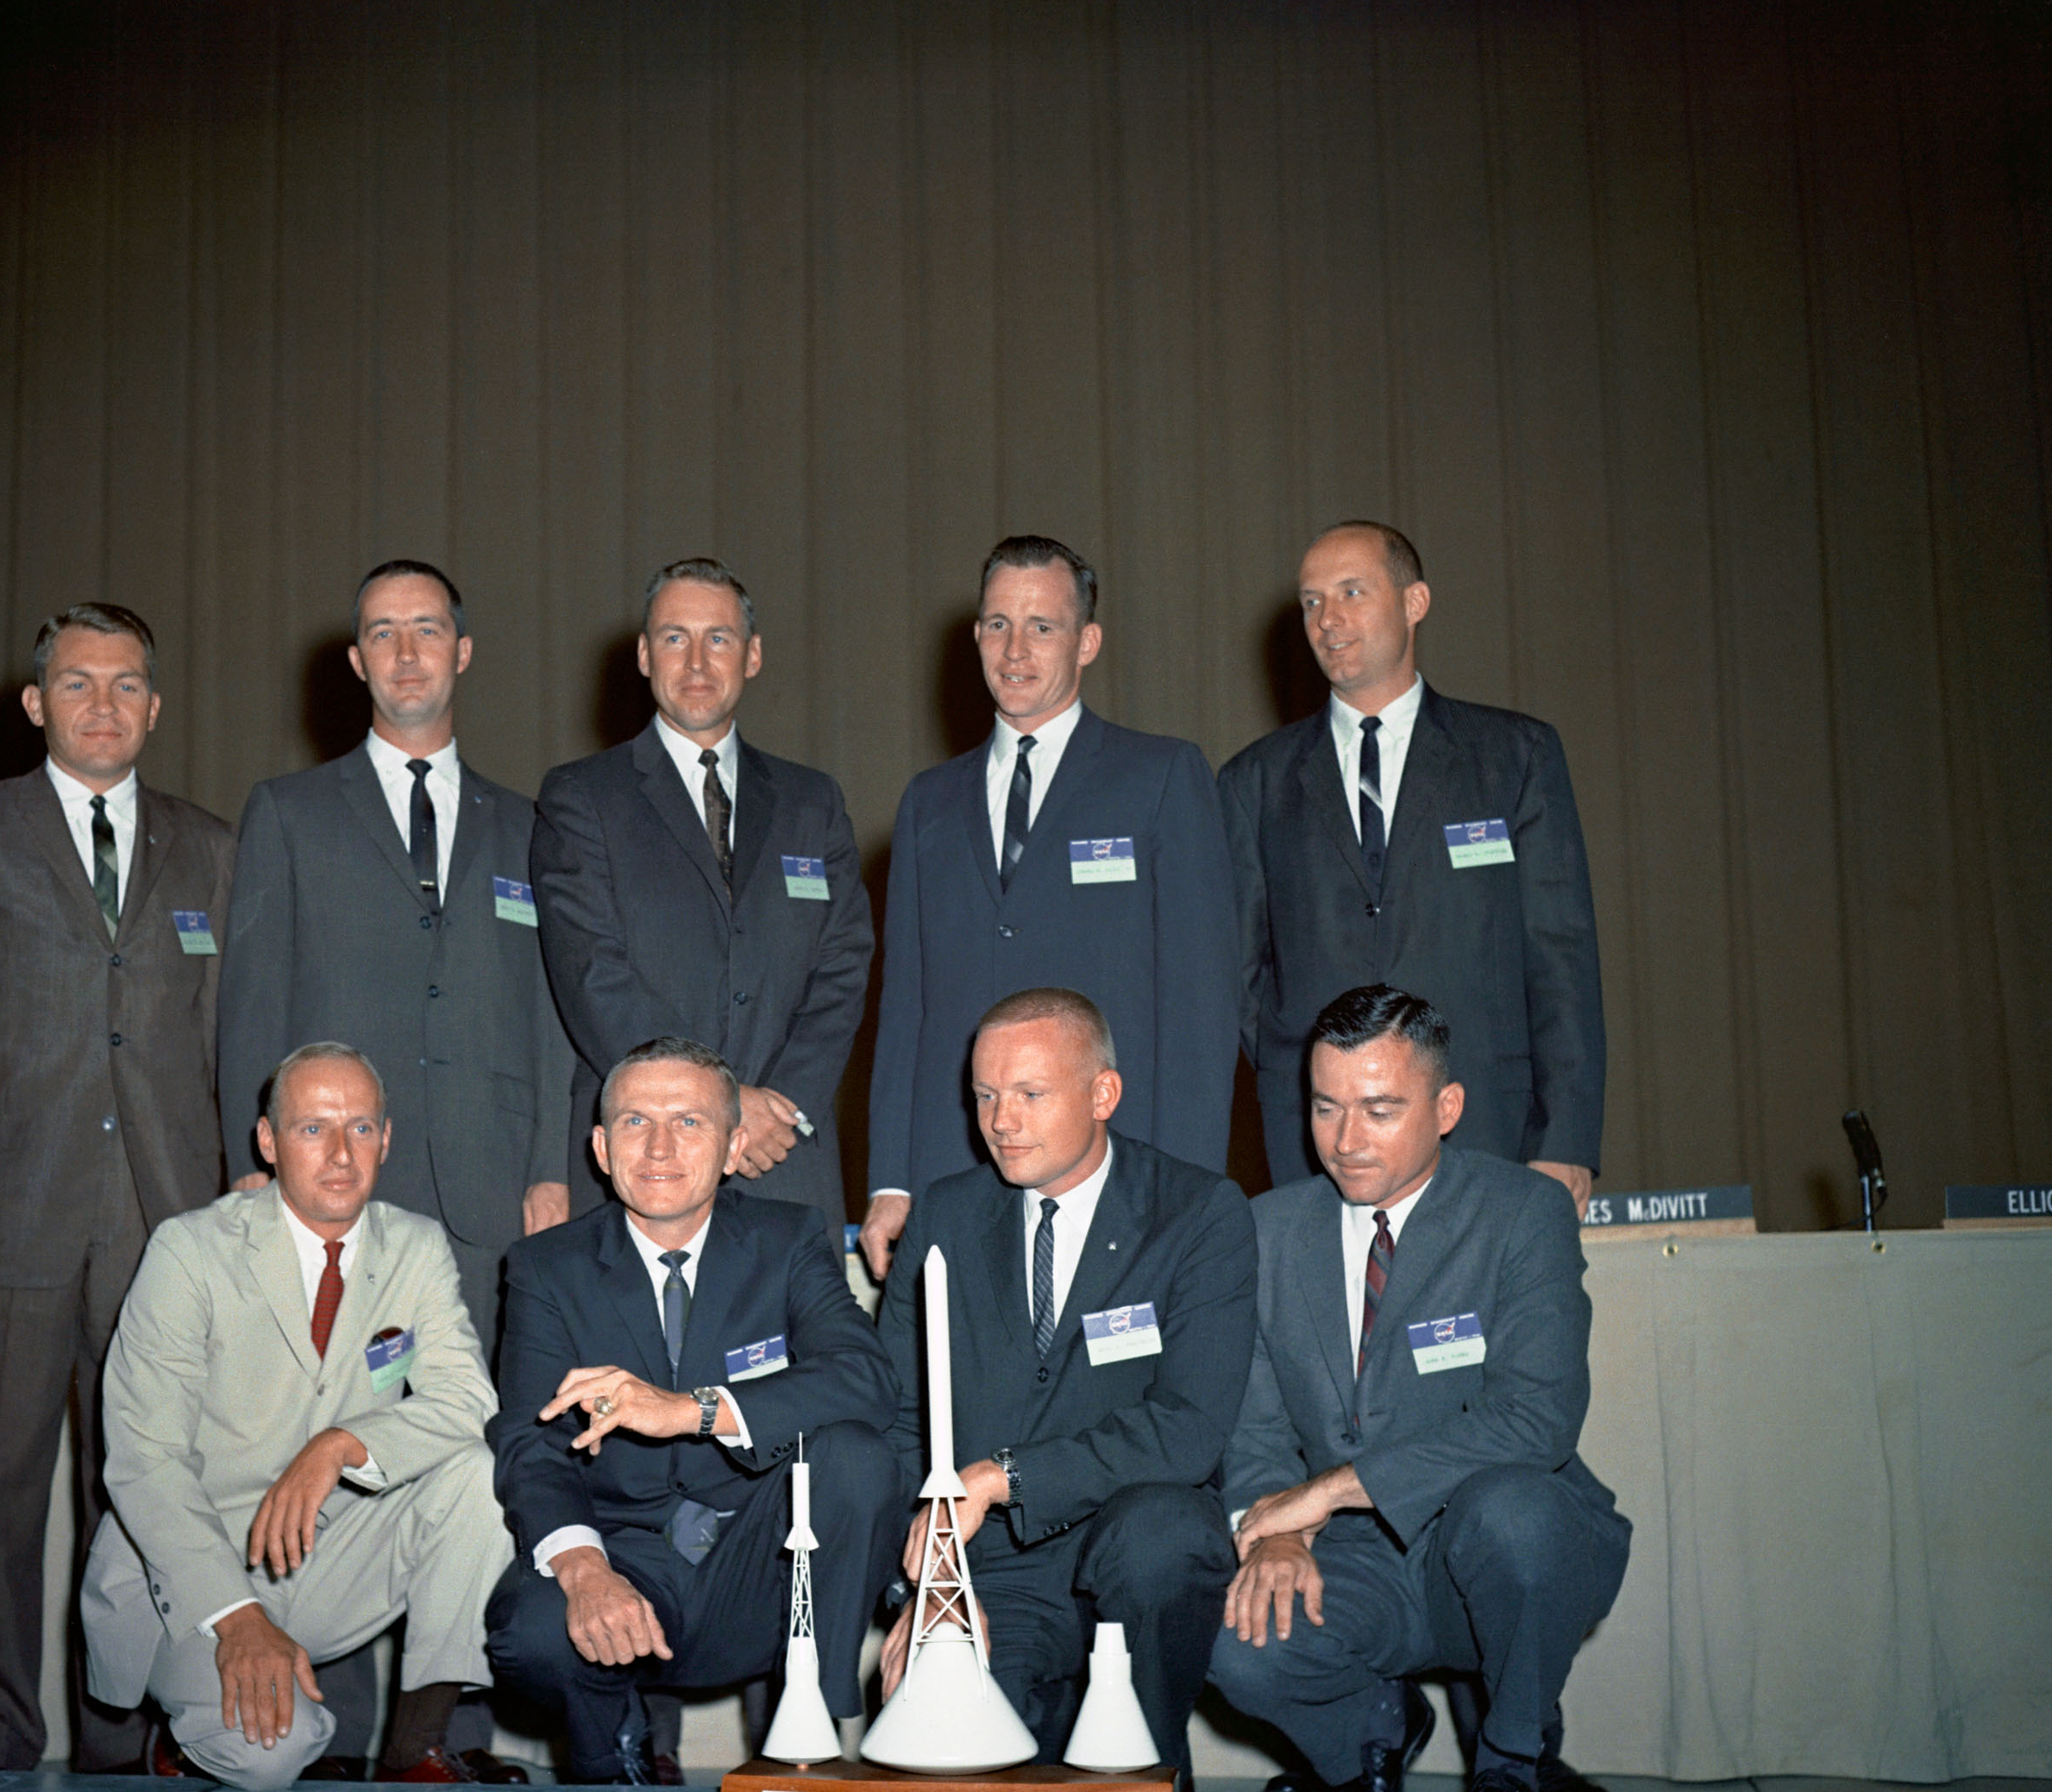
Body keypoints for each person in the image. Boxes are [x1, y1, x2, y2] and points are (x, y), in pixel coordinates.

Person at [0, 601, 233, 1772]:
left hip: (160, 1225)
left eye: (127, 684)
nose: (103, 705)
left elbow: (217, 1039)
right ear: (36, 703)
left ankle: (120, 1740)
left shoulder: (209, 847)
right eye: (78, 683)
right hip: (9, 1213)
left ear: (156, 705)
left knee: (141, 1491)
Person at [1210, 985, 1629, 1792]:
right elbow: (1254, 1426)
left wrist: (1329, 1490)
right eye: (1326, 1108)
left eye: (1379, 1110)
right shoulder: (1265, 1231)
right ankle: (1369, 1737)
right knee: (1241, 1641)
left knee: (1517, 1516)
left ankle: (1516, 1757)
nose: (1345, 1141)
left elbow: (1536, 1419)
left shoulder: (1523, 1212)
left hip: (1491, 1541)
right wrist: (1277, 1536)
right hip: (1351, 1560)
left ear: (1447, 1108)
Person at [84, 1043, 516, 1789]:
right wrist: (237, 1616)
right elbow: (143, 1458)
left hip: (326, 1561)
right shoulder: (189, 1251)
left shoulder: (414, 1247)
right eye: (313, 1129)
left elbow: (467, 1400)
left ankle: (414, 1749)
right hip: (189, 1582)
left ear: (387, 1139)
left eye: (360, 1128)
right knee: (279, 1752)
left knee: (478, 1476)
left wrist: (341, 1444)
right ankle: (183, 1737)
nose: (342, 1154)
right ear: (268, 1141)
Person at [484, 1037, 901, 1783]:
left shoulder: (787, 1239)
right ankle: (611, 1757)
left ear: (735, 1146)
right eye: (636, 1122)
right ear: (601, 1148)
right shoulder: (547, 1267)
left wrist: (693, 1411)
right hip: (628, 1558)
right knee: (533, 1634)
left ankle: (809, 1725)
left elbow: (865, 1379)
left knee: (856, 1455)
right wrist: (583, 1570)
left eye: (689, 1122)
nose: (660, 1147)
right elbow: (530, 1442)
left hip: (763, 1560)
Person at [875, 989, 1254, 1773]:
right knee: (964, 1769)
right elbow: (900, 1418)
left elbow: (1188, 1427)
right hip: (995, 1566)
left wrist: (1005, 1476)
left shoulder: (1197, 1213)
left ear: (1103, 1094)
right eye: (985, 1096)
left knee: (1164, 1540)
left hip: (1133, 1543)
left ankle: (1151, 1775)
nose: (1001, 1122)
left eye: (1030, 1094)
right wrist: (931, 1587)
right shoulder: (946, 1215)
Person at [216, 559, 574, 1353]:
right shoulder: (288, 812)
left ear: (463, 651)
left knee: (480, 1410)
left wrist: (551, 1168)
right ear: (357, 661)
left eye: (427, 630)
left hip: (492, 1190)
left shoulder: (529, 825)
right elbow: (252, 1003)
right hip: (335, 1183)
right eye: (383, 634)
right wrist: (252, 1163)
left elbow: (553, 1017)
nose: (407, 653)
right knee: (344, 1408)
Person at [861, 536, 1239, 1279]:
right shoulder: (927, 802)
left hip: (1117, 1170)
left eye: (1042, 626)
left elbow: (1200, 1008)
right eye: (998, 625)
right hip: (955, 1171)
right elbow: (905, 1007)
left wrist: (1183, 1190)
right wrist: (891, 1181)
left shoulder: (1162, 777)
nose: (1015, 650)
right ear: (976, 636)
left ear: (1087, 642)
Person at [1219, 522, 1605, 1213]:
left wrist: (1567, 1137)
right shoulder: (1254, 781)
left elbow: (1561, 958)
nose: (1327, 619)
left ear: (1414, 602)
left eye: (1351, 593)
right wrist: (1291, 1071)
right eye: (1311, 602)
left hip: (1489, 1128)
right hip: (1316, 1149)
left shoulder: (1515, 757)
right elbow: (1241, 972)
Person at [532, 560, 874, 1248]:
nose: (696, 662)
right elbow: (593, 976)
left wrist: (781, 1107)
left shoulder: (812, 802)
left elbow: (843, 966)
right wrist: (718, 1105)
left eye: (718, 639)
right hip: (644, 1164)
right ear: (643, 655)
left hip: (783, 1154)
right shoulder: (582, 798)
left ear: (752, 656)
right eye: (674, 638)